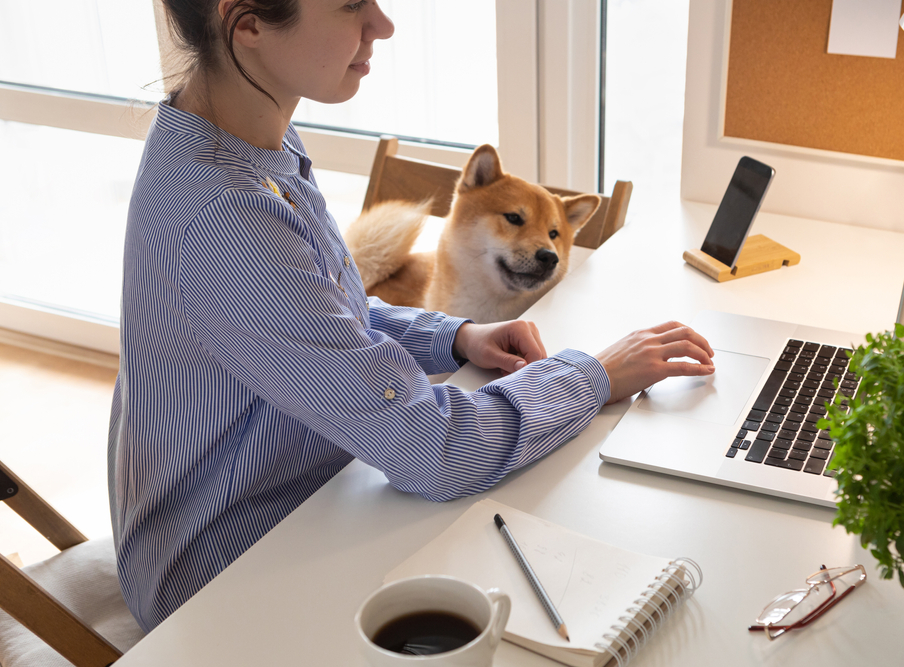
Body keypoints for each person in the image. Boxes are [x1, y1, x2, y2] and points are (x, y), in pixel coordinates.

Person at [108, 0, 715, 632]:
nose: (383, 24)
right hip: (222, 570)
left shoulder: (240, 135)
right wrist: (592, 375)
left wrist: (456, 337)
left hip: (303, 495)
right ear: (249, 23)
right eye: (351, 5)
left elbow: (322, 317)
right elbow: (437, 450)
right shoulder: (225, 214)